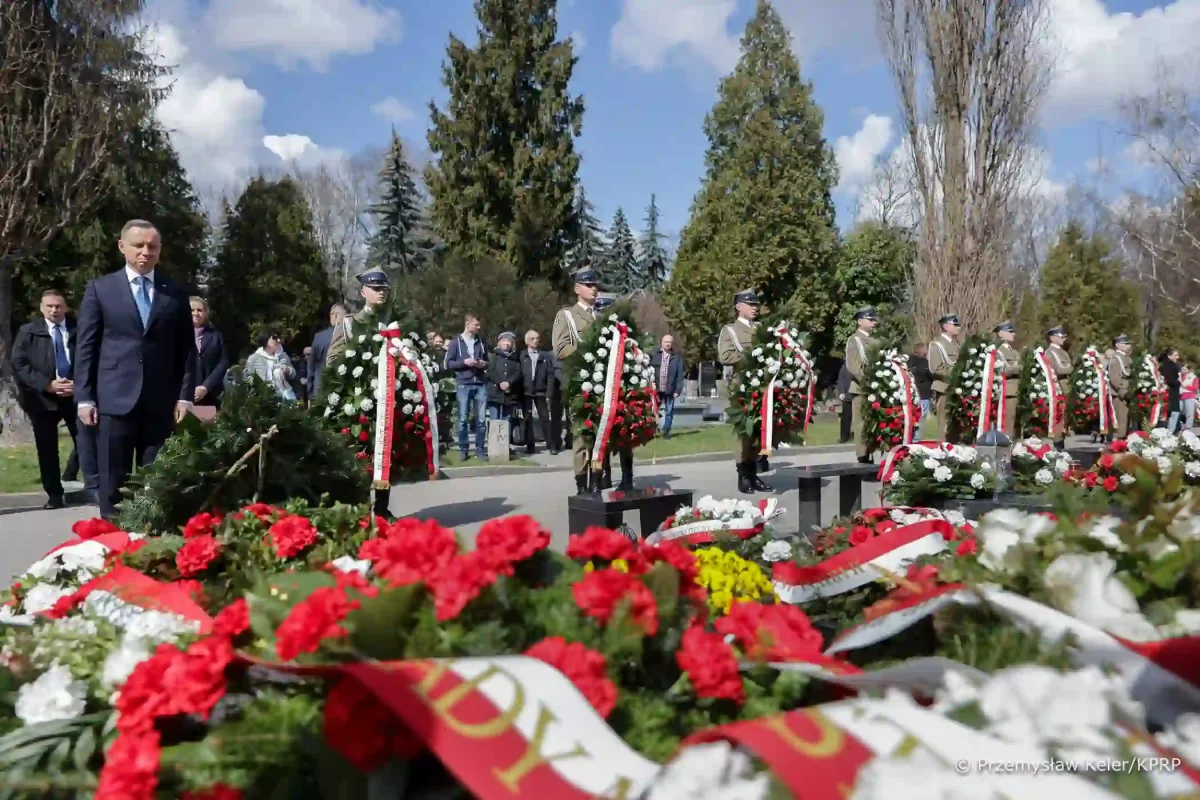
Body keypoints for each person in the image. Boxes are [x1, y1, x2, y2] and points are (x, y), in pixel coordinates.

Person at [75, 219, 196, 520]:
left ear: (160, 250)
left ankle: (148, 541)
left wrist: (185, 397)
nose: (145, 251)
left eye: (152, 246)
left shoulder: (174, 293)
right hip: (114, 399)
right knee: (113, 480)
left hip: (160, 401)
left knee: (154, 481)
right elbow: (86, 347)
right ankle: (111, 541)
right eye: (138, 245)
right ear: (122, 247)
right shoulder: (100, 289)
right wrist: (85, 397)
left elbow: (187, 350)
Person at [12, 291, 88, 508]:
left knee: (87, 443)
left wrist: (77, 383)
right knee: (47, 449)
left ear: (66, 308)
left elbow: (91, 358)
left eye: (58, 306)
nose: (54, 310)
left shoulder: (78, 329)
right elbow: (20, 363)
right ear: (41, 308)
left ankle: (95, 489)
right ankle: (54, 494)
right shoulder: (28, 332)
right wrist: (47, 385)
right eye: (49, 306)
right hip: (42, 400)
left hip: (75, 397)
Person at [326, 271, 392, 516]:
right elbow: (332, 358)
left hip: (387, 399)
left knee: (385, 453)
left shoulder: (392, 323)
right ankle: (363, 511)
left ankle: (383, 510)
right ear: (363, 292)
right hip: (358, 399)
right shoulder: (349, 323)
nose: (381, 292)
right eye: (375, 288)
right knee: (362, 455)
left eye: (384, 288)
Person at [553, 267, 608, 494]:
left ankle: (596, 477)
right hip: (580, 384)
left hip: (601, 385)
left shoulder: (601, 316)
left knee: (599, 437)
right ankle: (581, 482)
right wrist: (586, 352)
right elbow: (560, 347)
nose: (594, 289)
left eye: (595, 285)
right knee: (582, 435)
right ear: (577, 289)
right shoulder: (566, 315)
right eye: (588, 285)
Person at [717, 288, 768, 494]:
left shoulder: (762, 328)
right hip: (742, 387)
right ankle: (743, 476)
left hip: (762, 386)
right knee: (744, 433)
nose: (755, 308)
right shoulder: (730, 330)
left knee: (758, 432)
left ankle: (754, 474)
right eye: (750, 304)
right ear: (739, 307)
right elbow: (725, 356)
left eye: (756, 305)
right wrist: (751, 355)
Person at [445, 313, 489, 460]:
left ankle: (480, 449)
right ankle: (464, 449)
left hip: (480, 383)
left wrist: (483, 364)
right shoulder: (455, 342)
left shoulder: (481, 341)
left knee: (481, 419)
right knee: (463, 418)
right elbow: (448, 363)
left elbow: (487, 360)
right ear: (467, 324)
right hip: (464, 384)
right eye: (476, 324)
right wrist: (464, 362)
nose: (479, 327)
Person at [844, 307, 877, 463]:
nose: (873, 322)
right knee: (862, 424)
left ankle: (871, 454)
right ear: (859, 321)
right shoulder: (854, 340)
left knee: (874, 424)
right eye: (870, 319)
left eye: (874, 319)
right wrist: (869, 382)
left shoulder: (875, 341)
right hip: (861, 388)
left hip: (877, 389)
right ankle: (863, 457)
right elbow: (853, 366)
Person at [519, 330, 555, 455]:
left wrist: (549, 393)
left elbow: (550, 375)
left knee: (545, 419)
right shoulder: (522, 355)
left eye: (537, 338)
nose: (536, 341)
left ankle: (551, 445)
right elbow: (519, 375)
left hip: (541, 392)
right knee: (527, 419)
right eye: (533, 338)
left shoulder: (544, 356)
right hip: (526, 392)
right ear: (527, 341)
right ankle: (530, 446)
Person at [190, 297, 229, 410]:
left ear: (205, 313)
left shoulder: (216, 336)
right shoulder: (177, 335)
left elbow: (223, 362)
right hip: (184, 396)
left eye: (200, 310)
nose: (196, 313)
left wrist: (206, 386)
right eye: (192, 310)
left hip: (212, 395)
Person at [927, 314, 962, 441]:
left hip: (957, 389)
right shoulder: (937, 344)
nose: (959, 327)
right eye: (955, 325)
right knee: (945, 423)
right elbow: (935, 368)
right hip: (945, 387)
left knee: (956, 424)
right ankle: (943, 452)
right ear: (946, 326)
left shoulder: (957, 345)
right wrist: (955, 377)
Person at [245, 332, 297, 403]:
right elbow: (248, 377)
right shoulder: (254, 358)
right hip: (263, 396)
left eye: (278, 338)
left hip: (283, 393)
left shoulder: (283, 355)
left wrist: (287, 370)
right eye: (274, 338)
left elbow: (293, 374)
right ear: (265, 340)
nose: (278, 340)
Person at [308, 303, 345, 401]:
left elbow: (311, 366)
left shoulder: (319, 337)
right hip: (341, 388)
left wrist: (310, 390)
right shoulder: (349, 337)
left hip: (319, 387)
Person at [650, 334, 685, 439]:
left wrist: (677, 390)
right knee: (653, 410)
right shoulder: (655, 355)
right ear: (662, 342)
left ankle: (666, 431)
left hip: (670, 389)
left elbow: (680, 375)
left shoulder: (676, 358)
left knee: (669, 411)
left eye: (670, 342)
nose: (668, 344)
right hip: (657, 388)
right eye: (666, 342)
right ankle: (652, 431)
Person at [1045, 326, 1073, 449]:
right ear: (1052, 338)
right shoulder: (1050, 352)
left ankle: (1062, 443)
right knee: (1058, 419)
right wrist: (1071, 368)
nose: (1064, 339)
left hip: (1067, 388)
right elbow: (1058, 369)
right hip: (1058, 388)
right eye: (1061, 336)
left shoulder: (1063, 352)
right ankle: (1058, 445)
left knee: (1065, 419)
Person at [486, 331, 521, 426]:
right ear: (499, 342)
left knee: (507, 420)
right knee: (494, 419)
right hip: (494, 393)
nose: (506, 343)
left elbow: (518, 372)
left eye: (509, 341)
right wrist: (500, 382)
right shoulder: (494, 356)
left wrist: (509, 383)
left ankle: (505, 440)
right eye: (504, 340)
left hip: (509, 394)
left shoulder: (515, 358)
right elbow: (491, 371)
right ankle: (493, 440)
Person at [994, 322, 1021, 436]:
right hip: (1007, 391)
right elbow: (1001, 370)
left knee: (1017, 423)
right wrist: (1018, 368)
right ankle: (1005, 447)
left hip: (1017, 390)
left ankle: (1015, 447)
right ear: (1001, 333)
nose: (1013, 334)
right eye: (1010, 331)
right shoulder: (998, 352)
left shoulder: (1014, 352)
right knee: (1008, 422)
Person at [1108, 335, 1134, 440]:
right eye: (1125, 344)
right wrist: (1122, 390)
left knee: (1128, 420)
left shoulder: (1126, 357)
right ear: (1117, 345)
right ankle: (1119, 442)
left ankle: (1125, 441)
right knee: (1121, 420)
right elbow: (1114, 377)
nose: (1128, 346)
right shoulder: (1116, 359)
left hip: (1129, 391)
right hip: (1120, 394)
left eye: (1128, 343)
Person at [909, 343, 933, 439]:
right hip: (923, 393)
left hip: (912, 393)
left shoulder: (908, 362)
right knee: (921, 417)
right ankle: (916, 439)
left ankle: (911, 437)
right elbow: (930, 374)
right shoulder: (923, 363)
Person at [1161, 347, 1182, 432]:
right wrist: (1178, 382)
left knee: (1172, 413)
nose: (1177, 357)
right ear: (1169, 356)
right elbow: (1169, 380)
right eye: (1175, 355)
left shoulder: (1168, 365)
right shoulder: (1168, 366)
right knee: (1174, 412)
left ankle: (1170, 431)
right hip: (1171, 393)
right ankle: (1170, 432)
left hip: (1172, 392)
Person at [836, 362, 853, 444]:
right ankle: (844, 437)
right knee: (846, 418)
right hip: (847, 396)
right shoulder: (845, 366)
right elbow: (841, 379)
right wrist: (841, 392)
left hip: (858, 395)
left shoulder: (861, 364)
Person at [1181, 364, 1198, 433]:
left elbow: (1195, 388)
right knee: (1181, 412)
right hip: (1181, 396)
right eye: (1182, 369)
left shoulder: (1194, 378)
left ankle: (1188, 428)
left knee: (1189, 413)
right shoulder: (1181, 376)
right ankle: (1181, 426)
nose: (1183, 371)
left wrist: (1186, 386)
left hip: (1189, 396)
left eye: (1185, 369)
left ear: (1189, 370)